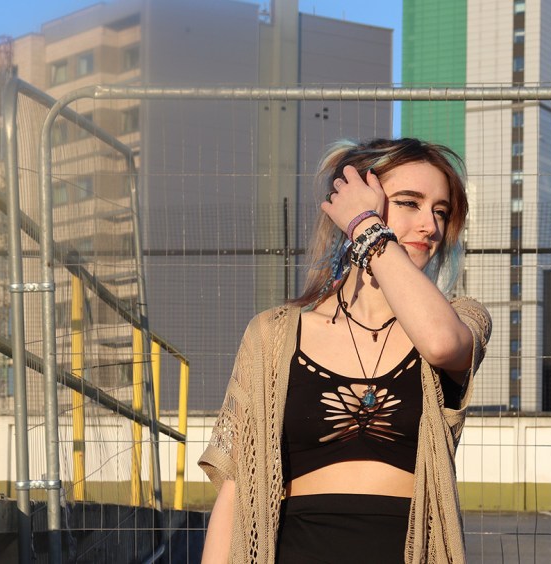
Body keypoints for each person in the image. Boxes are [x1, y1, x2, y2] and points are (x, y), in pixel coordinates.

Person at [199, 138, 492, 563]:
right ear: (353, 204)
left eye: (440, 211)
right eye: (409, 203)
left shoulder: (463, 319)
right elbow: (235, 489)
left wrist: (369, 231)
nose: (430, 225)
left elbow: (442, 345)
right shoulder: (272, 336)